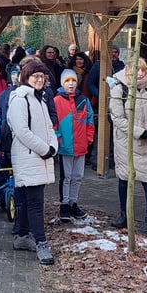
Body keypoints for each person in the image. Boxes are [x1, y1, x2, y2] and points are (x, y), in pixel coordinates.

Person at [7, 59, 58, 265]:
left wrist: (52, 146)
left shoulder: (40, 99)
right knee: (36, 203)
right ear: (25, 78)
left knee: (29, 201)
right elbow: (21, 132)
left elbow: (48, 127)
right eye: (34, 76)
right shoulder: (20, 100)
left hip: (40, 156)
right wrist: (45, 149)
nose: (39, 80)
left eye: (41, 76)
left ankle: (21, 236)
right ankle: (41, 243)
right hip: (29, 157)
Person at [106, 58, 147, 235]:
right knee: (124, 179)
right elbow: (118, 119)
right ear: (129, 70)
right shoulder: (119, 89)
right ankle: (124, 215)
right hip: (127, 142)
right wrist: (139, 132)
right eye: (137, 70)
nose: (141, 74)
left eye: (144, 70)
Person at [54, 69, 95, 222]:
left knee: (78, 176)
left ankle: (73, 202)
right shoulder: (57, 100)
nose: (71, 84)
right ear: (62, 83)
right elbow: (53, 123)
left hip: (81, 145)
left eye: (73, 81)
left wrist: (89, 138)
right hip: (66, 146)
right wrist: (58, 139)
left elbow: (90, 119)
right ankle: (64, 204)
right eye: (67, 81)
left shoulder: (83, 100)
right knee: (66, 177)